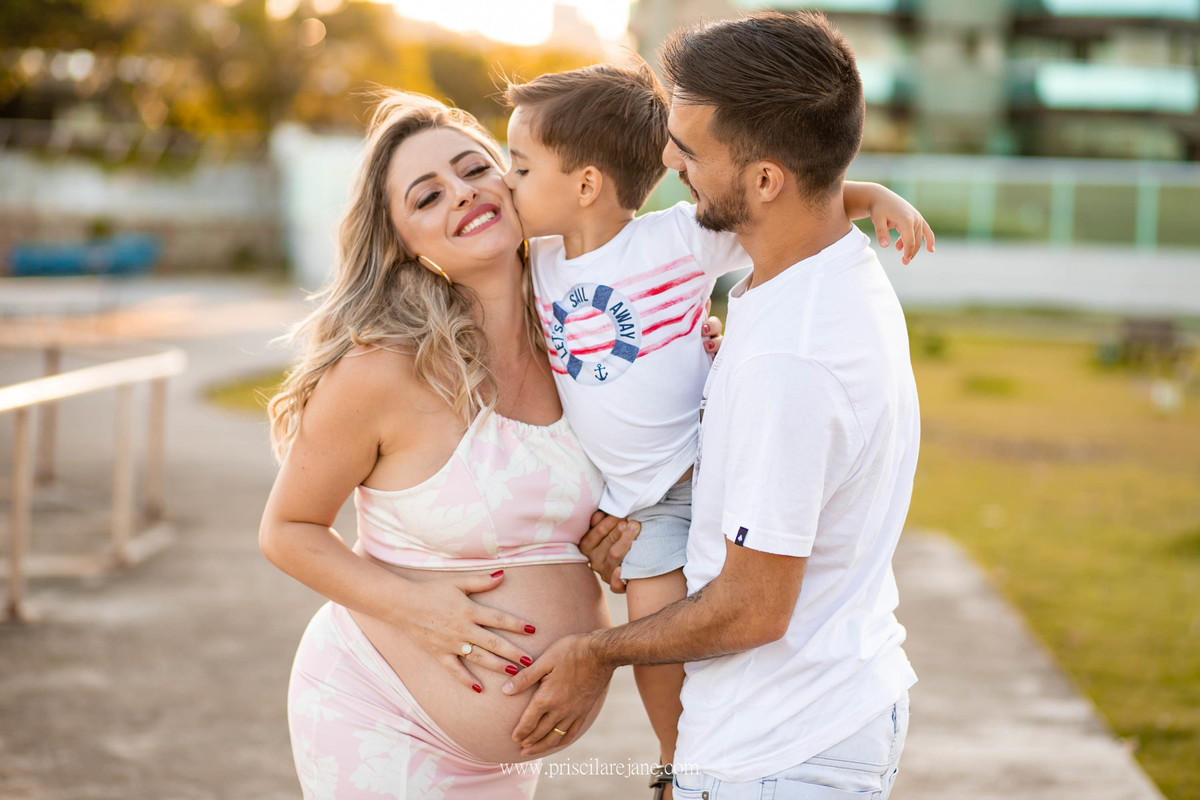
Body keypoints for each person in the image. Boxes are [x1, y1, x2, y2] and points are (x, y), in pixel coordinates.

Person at [503, 11, 923, 800]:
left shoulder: (791, 357)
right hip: (805, 723)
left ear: (766, 180)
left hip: (778, 756)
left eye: (688, 150)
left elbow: (753, 608)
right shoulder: (816, 277)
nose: (665, 161)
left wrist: (596, 652)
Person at [259, 93, 616, 799]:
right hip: (376, 717)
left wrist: (613, 535)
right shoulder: (382, 371)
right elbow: (287, 531)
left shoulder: (583, 349)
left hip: (508, 756)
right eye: (427, 196)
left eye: (475, 169)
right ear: (401, 242)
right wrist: (417, 609)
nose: (463, 194)